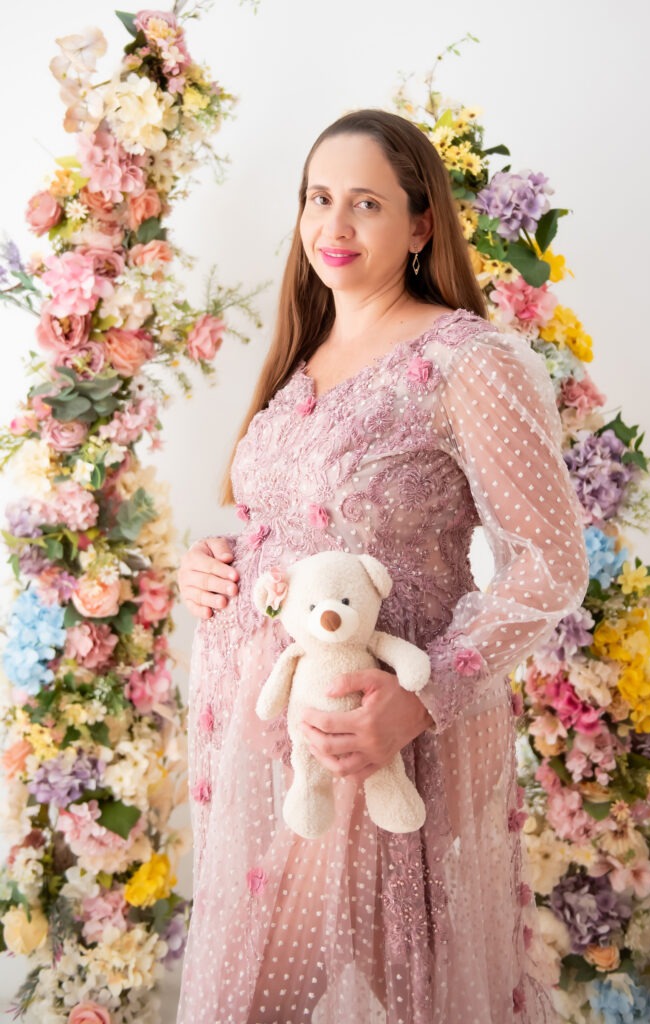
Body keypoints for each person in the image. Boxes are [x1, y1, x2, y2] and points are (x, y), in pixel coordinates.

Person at [175, 108, 589, 1024]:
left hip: (375, 734)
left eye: (365, 202)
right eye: (318, 198)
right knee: (363, 991)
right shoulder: (303, 357)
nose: (334, 224)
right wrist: (212, 562)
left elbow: (551, 561)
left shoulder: (465, 361)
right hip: (276, 737)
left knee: (264, 1001)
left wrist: (425, 695)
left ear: (420, 224)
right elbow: (284, 528)